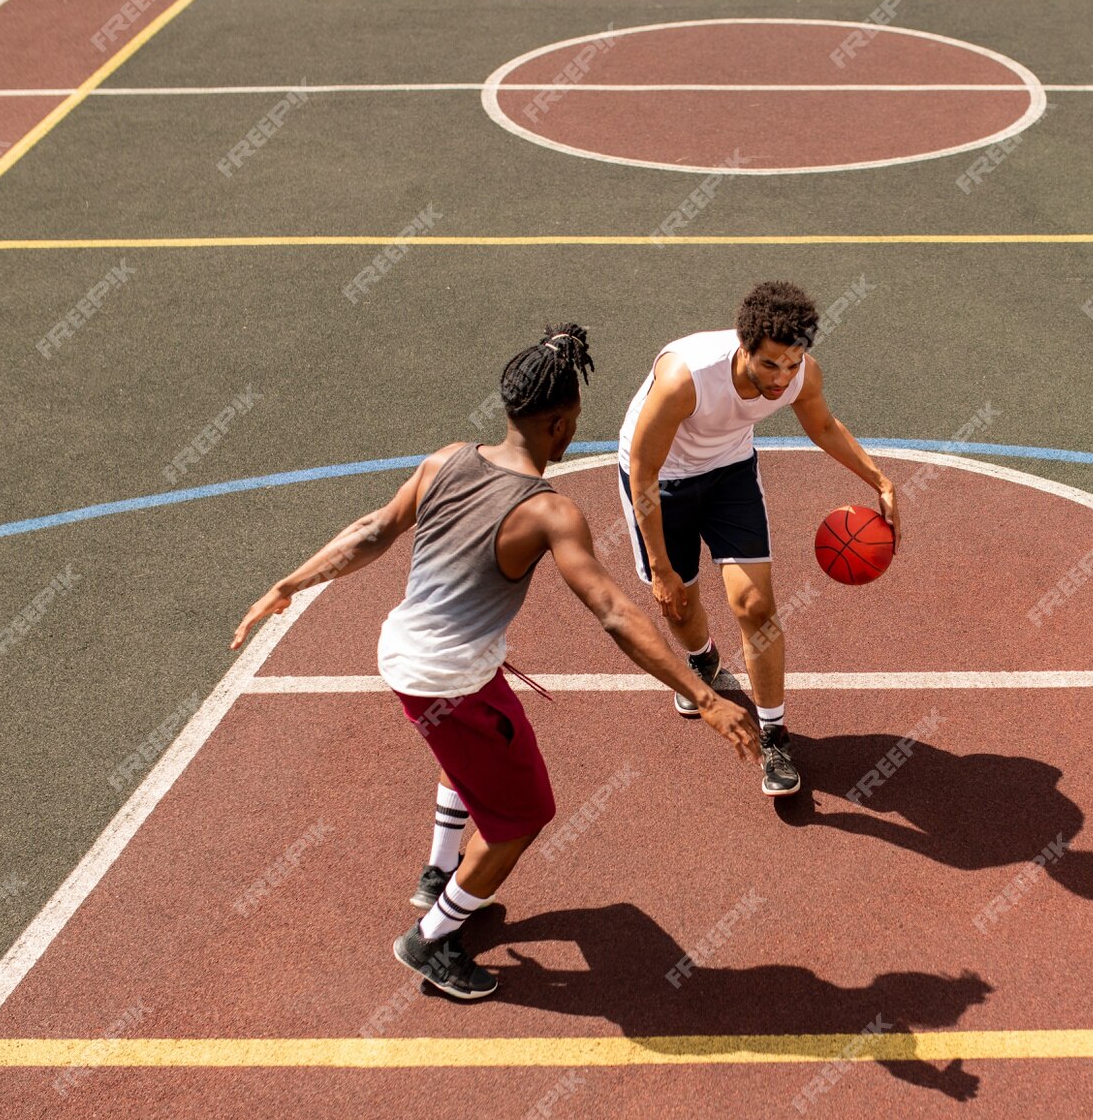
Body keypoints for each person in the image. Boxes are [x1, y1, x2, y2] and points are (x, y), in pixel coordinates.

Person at [232, 324, 759, 999]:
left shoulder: (446, 459)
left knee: (473, 752)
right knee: (521, 817)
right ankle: (432, 940)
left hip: (407, 654)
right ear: (562, 424)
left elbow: (372, 531)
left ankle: (438, 874)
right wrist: (704, 693)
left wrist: (288, 583)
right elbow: (614, 613)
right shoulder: (548, 511)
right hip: (449, 679)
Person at [618, 281, 900, 797]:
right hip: (663, 480)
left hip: (729, 472)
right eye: (771, 365)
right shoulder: (687, 378)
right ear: (744, 348)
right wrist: (660, 567)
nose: (782, 378)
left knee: (755, 605)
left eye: (793, 364)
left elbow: (824, 426)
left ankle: (774, 734)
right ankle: (703, 658)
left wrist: (879, 480)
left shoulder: (799, 375)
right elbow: (643, 471)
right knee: (678, 603)